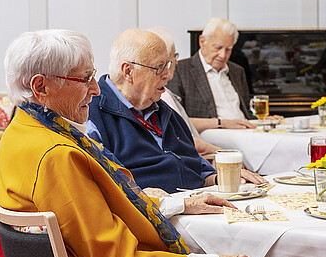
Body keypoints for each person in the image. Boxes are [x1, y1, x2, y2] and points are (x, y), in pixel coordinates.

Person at [0, 30, 306, 257]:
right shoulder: (57, 156)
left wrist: (178, 203)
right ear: (41, 86)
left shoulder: (21, 133)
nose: (96, 88)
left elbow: (103, 209)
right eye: (85, 78)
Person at [87, 29, 267, 194]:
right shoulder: (92, 116)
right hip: (157, 217)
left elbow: (200, 173)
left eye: (168, 65)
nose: (168, 74)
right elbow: (108, 191)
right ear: (128, 71)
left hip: (197, 205)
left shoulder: (164, 112)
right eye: (159, 68)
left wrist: (224, 179)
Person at [148, 25, 221, 161]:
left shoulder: (163, 93)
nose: (176, 61)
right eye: (173, 56)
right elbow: (183, 140)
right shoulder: (160, 95)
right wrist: (221, 152)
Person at [173, 18, 254, 132]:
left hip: (246, 131)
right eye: (218, 48)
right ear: (202, 41)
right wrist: (221, 123)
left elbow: (247, 111)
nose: (222, 55)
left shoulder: (237, 71)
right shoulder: (179, 70)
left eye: (228, 50)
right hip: (214, 135)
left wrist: (263, 119)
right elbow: (175, 120)